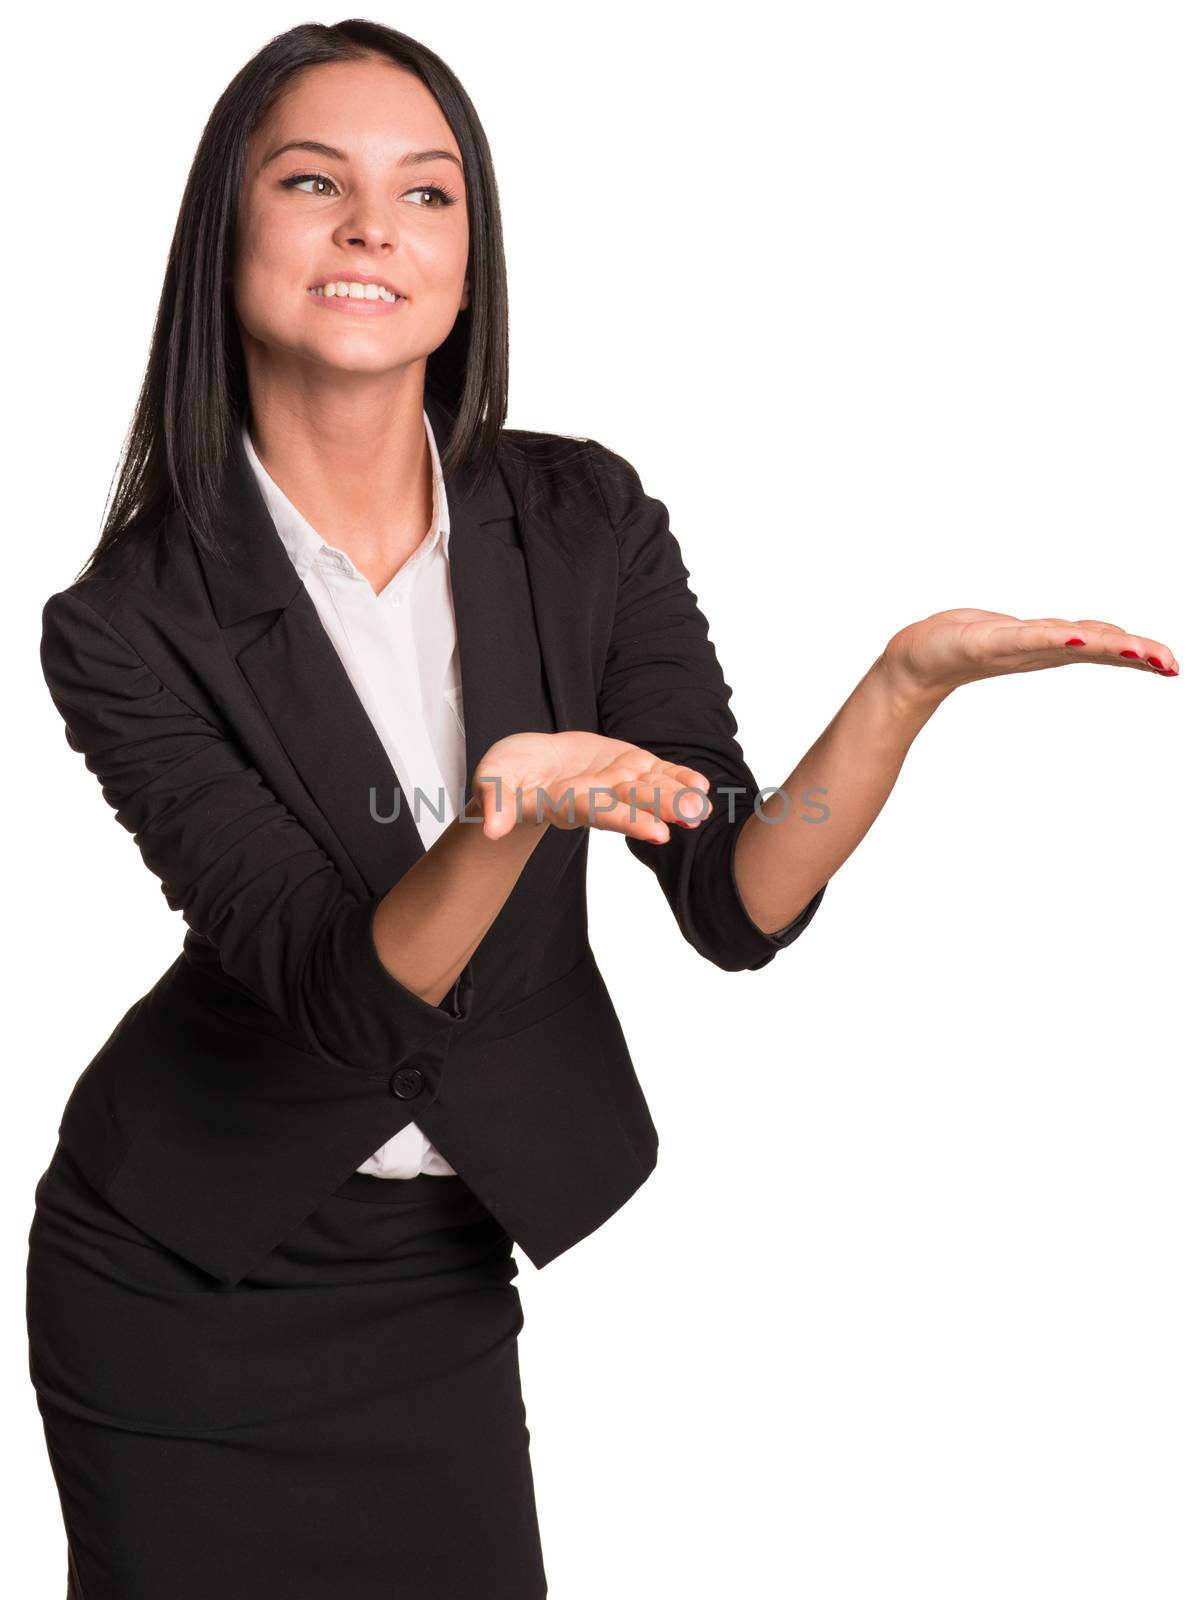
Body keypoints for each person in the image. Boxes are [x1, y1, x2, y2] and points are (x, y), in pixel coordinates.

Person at [24, 19, 1178, 1600]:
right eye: (315, 183)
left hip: (433, 1267)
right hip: (182, 1272)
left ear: (471, 253)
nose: (375, 228)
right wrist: (509, 816)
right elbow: (338, 996)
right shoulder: (125, 623)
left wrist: (907, 684)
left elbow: (736, 904)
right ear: (226, 232)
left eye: (429, 196)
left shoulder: (580, 519)